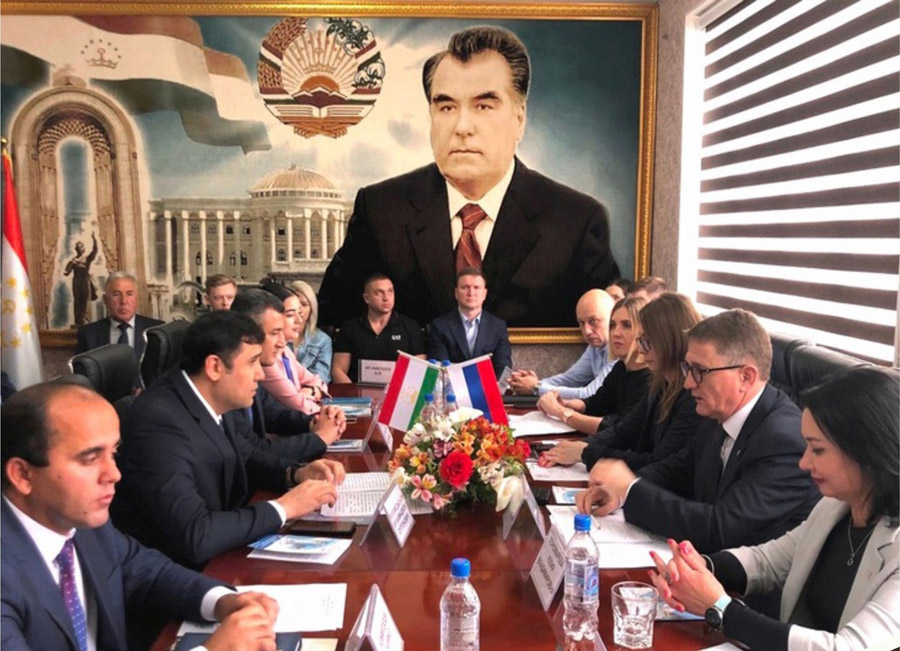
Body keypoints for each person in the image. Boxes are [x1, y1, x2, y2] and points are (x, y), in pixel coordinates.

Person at [317, 25, 620, 328]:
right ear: (431, 117)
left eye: (483, 106)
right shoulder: (380, 211)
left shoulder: (575, 222)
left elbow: (608, 338)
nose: (462, 127)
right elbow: (329, 325)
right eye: (447, 107)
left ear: (519, 118)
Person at [1, 382, 282, 651]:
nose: (114, 474)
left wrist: (223, 601)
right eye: (90, 459)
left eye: (113, 453)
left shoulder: (79, 519)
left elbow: (147, 572)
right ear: (23, 475)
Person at [648, 366, 899, 651]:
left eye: (817, 450)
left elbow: (846, 648)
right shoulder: (835, 508)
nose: (803, 463)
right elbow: (767, 561)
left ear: (867, 450)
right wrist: (699, 568)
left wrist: (720, 608)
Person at [577, 309, 821, 553]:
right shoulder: (716, 413)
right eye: (688, 368)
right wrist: (618, 492)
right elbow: (678, 469)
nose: (688, 383)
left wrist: (631, 490)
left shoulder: (784, 441)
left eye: (700, 371)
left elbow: (721, 529)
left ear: (746, 377)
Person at [112, 311, 344, 568]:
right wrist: (284, 508)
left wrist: (295, 473)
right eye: (252, 362)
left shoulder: (209, 395)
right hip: (183, 573)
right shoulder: (158, 424)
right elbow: (196, 534)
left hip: (223, 552)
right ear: (215, 367)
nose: (261, 374)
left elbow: (246, 456)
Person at [540, 293, 702, 471]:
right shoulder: (661, 384)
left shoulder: (692, 396)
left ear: (668, 341)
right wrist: (579, 448)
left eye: (646, 341)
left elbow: (658, 463)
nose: (641, 349)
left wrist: (585, 451)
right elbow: (623, 431)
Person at [537, 295, 650, 436]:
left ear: (644, 331)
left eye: (626, 325)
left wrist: (561, 412)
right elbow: (597, 403)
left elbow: (618, 429)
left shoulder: (650, 378)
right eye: (612, 325)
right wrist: (567, 404)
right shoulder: (621, 368)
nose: (616, 333)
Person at [508, 289, 615, 399]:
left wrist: (536, 387)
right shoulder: (595, 347)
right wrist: (530, 383)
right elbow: (569, 379)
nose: (587, 331)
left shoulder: (620, 350)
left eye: (593, 321)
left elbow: (590, 393)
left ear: (613, 318)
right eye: (581, 323)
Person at [332, 274, 426, 384]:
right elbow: (338, 371)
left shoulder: (411, 327)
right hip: (357, 392)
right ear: (366, 298)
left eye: (390, 291)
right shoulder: (350, 328)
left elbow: (420, 370)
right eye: (379, 293)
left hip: (399, 392)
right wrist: (355, 394)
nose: (386, 298)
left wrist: (399, 393)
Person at [255, 284, 331, 415]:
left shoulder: (285, 351)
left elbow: (319, 381)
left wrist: (311, 390)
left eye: (300, 313)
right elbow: (301, 407)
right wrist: (311, 395)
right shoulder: (266, 359)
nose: (299, 320)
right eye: (290, 315)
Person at [426, 266, 512, 376]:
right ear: (456, 293)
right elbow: (440, 370)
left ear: (484, 294)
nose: (471, 293)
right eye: (465, 287)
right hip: (452, 386)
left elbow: (503, 368)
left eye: (476, 288)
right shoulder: (439, 326)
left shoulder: (498, 327)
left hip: (487, 386)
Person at [75, 271, 163, 359]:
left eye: (129, 294)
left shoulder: (157, 330)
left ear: (137, 299)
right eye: (116, 294)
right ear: (106, 300)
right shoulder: (89, 334)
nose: (123, 301)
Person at [289, 279, 333, 383]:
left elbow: (322, 376)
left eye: (304, 304)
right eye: (296, 304)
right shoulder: (278, 336)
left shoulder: (323, 340)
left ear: (312, 308)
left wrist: (308, 390)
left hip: (310, 390)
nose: (299, 310)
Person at [63, 232, 98, 326]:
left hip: (85, 281)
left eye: (81, 246)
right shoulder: (73, 260)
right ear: (76, 249)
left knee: (85, 300)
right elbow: (66, 272)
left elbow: (95, 250)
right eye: (78, 247)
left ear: (83, 249)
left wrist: (94, 238)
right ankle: (78, 320)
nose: (79, 248)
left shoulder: (87, 259)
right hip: (77, 282)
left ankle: (85, 319)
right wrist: (71, 265)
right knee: (77, 300)